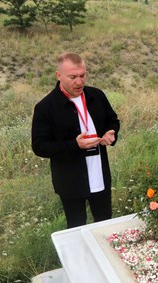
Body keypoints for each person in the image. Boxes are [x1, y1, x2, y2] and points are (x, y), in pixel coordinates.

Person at [31, 52, 120, 229]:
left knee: (105, 223)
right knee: (77, 226)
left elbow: (112, 119)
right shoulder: (46, 107)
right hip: (70, 180)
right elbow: (39, 147)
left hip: (99, 174)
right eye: (73, 77)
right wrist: (74, 145)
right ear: (59, 75)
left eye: (82, 76)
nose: (79, 82)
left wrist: (111, 132)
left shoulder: (97, 96)